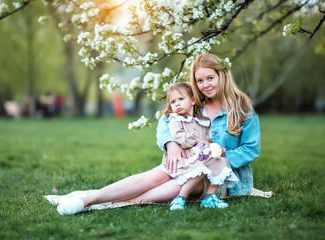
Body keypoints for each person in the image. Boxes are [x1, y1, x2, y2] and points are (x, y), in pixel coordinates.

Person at [53, 53, 261, 215]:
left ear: (221, 75)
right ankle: (88, 199)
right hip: (187, 162)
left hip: (220, 178)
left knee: (175, 185)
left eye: (210, 78)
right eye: (199, 81)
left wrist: (218, 156)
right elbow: (165, 120)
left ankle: (113, 204)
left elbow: (251, 149)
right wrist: (170, 143)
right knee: (153, 176)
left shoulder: (243, 109)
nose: (205, 85)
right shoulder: (195, 103)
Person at [161, 82, 238, 210]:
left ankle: (209, 197)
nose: (177, 104)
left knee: (221, 162)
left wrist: (215, 148)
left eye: (181, 99)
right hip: (185, 158)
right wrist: (197, 140)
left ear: (192, 101)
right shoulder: (175, 119)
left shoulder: (201, 120)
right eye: (173, 102)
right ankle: (180, 198)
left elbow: (207, 139)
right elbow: (178, 136)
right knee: (200, 168)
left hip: (201, 155)